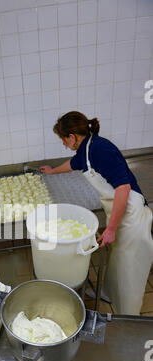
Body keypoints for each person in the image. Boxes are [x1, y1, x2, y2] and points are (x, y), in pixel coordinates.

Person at [40, 111, 153, 316]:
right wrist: (52, 171)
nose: (64, 145)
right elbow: (74, 163)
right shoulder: (86, 149)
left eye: (64, 140)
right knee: (117, 258)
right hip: (120, 215)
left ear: (72, 137)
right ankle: (109, 294)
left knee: (130, 267)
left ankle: (128, 316)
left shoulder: (101, 149)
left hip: (133, 215)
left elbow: (123, 189)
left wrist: (110, 229)